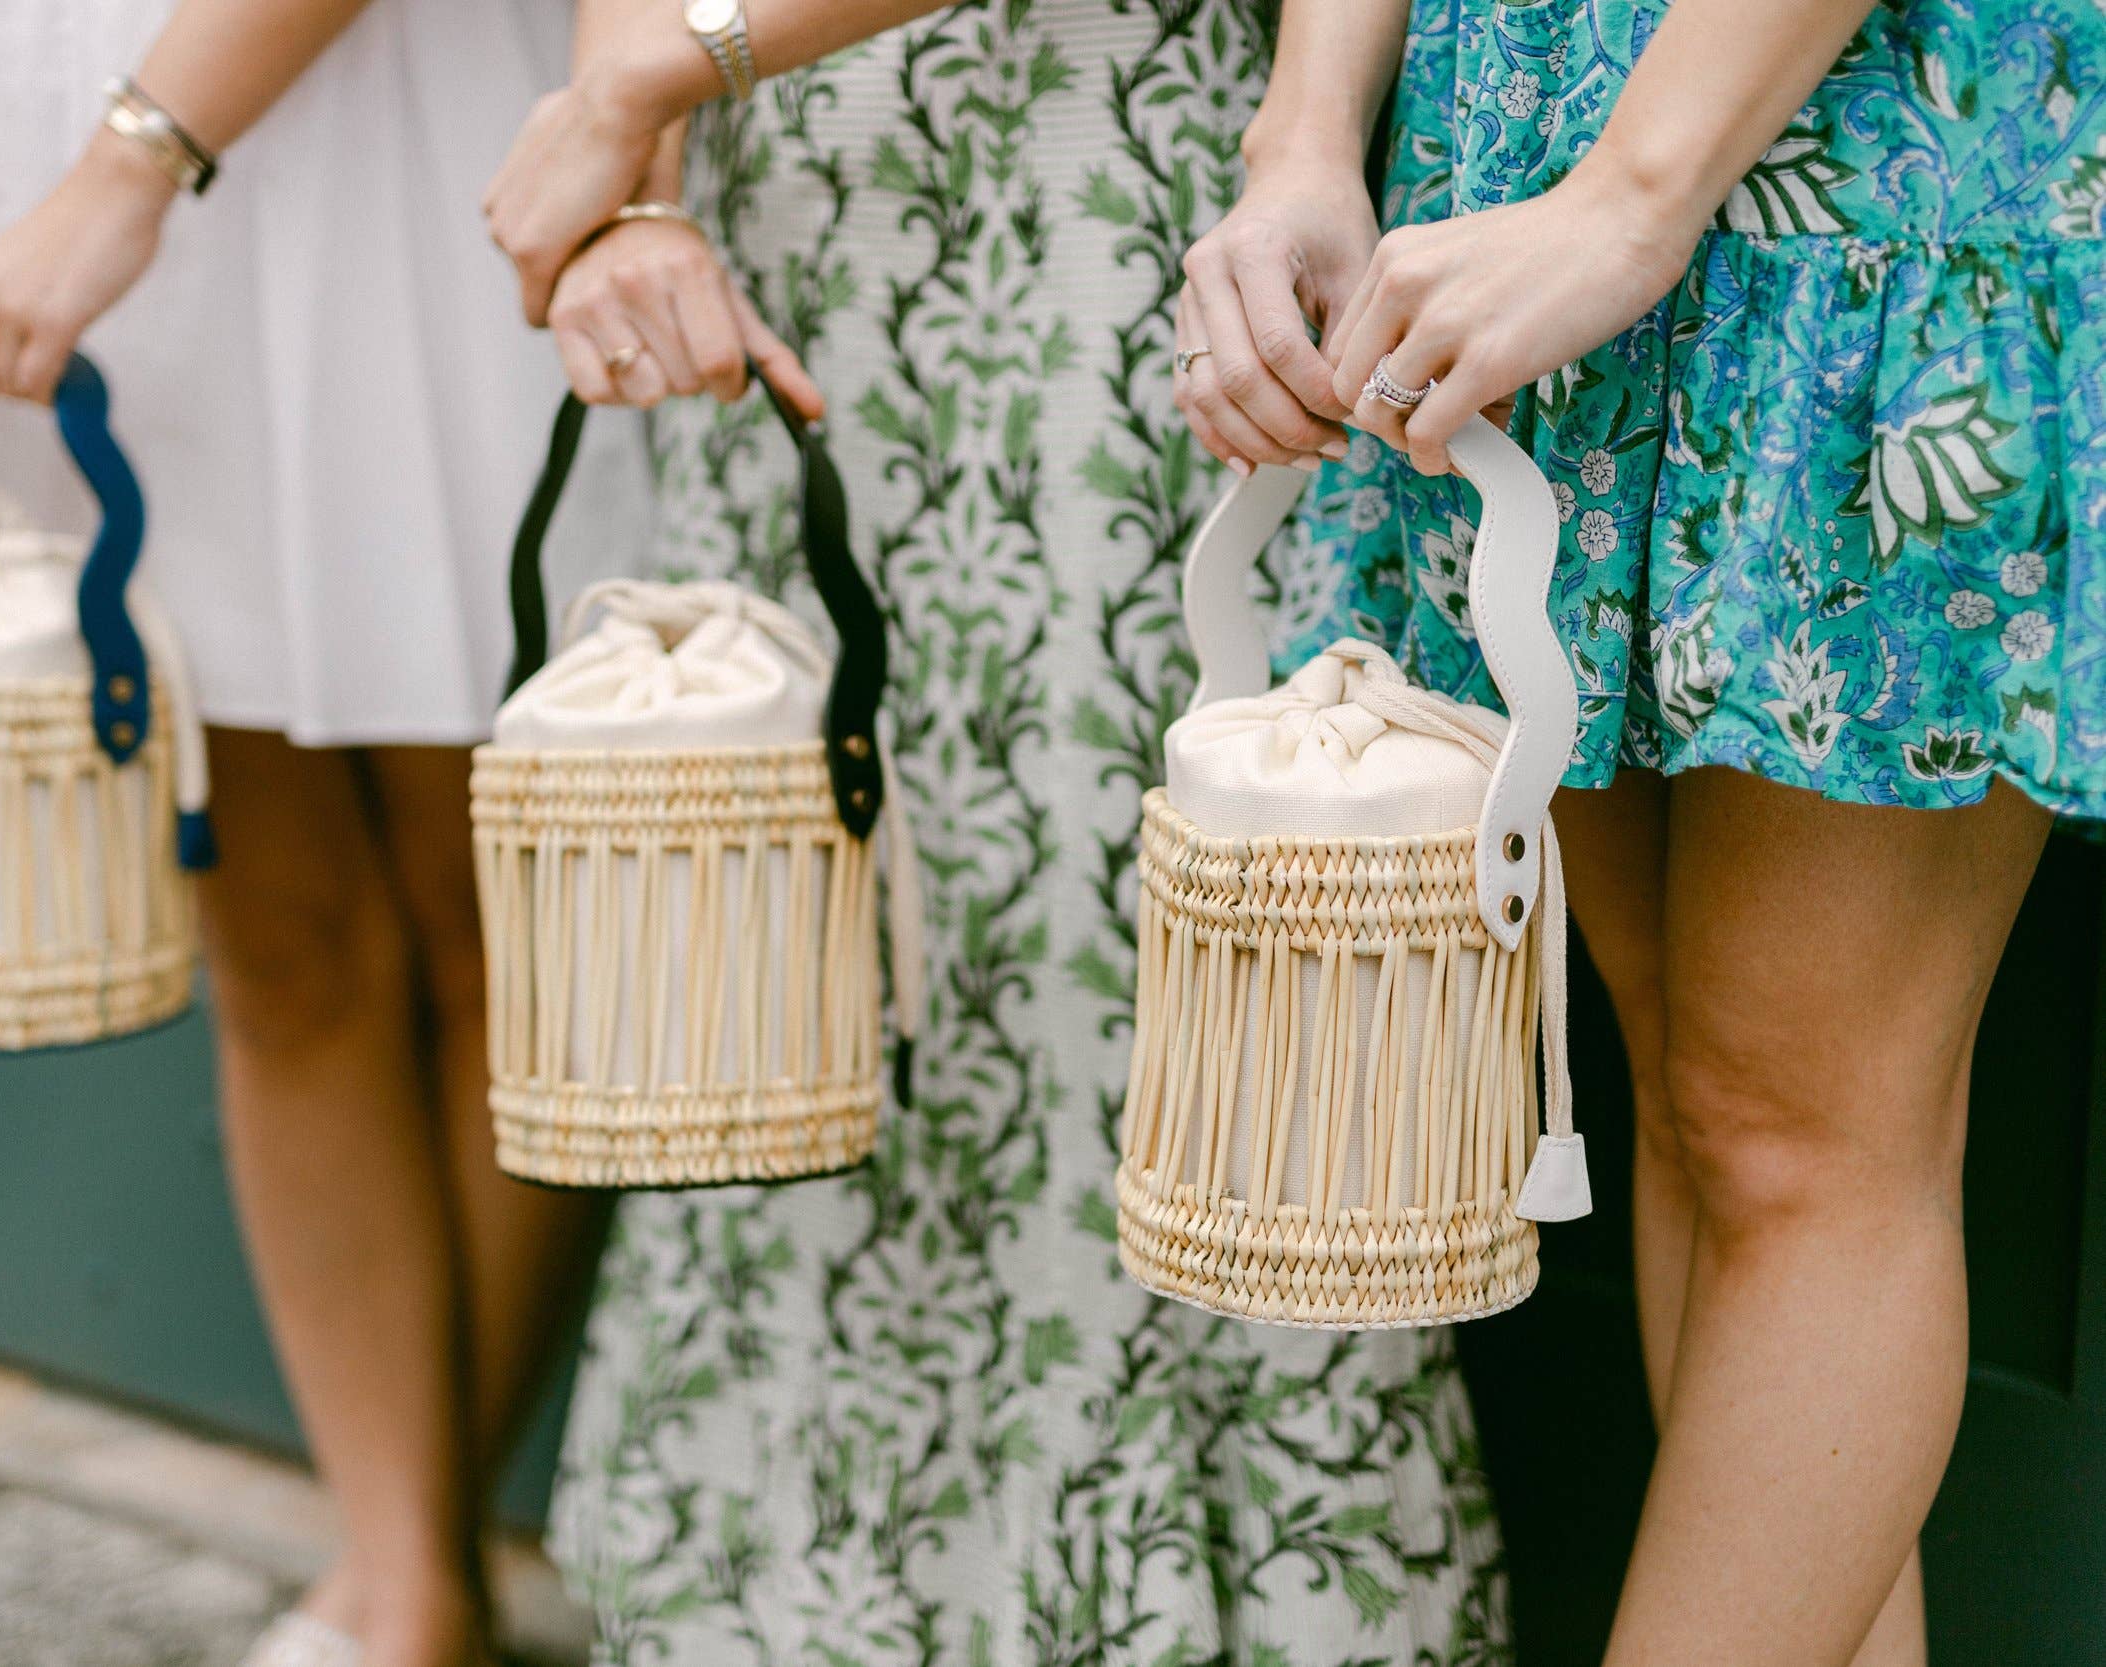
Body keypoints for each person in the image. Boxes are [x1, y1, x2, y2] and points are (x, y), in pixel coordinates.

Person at [488, 3, 1511, 1662]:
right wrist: (642, 183)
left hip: (1108, 225)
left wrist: (666, 71)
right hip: (792, 223)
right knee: (794, 961)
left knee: (1128, 977)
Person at [1177, 1, 2093, 1661]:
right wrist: (1305, 133)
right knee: (1701, 1103)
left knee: (1796, 1136)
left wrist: (1634, 194)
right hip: (1515, 169)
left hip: (1855, 159)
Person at [0, 3, 640, 1663]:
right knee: (268, 924)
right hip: (37, 146)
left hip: (390, 141)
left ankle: (411, 1575)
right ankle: (407, 1577)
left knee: (505, 903)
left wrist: (137, 159)